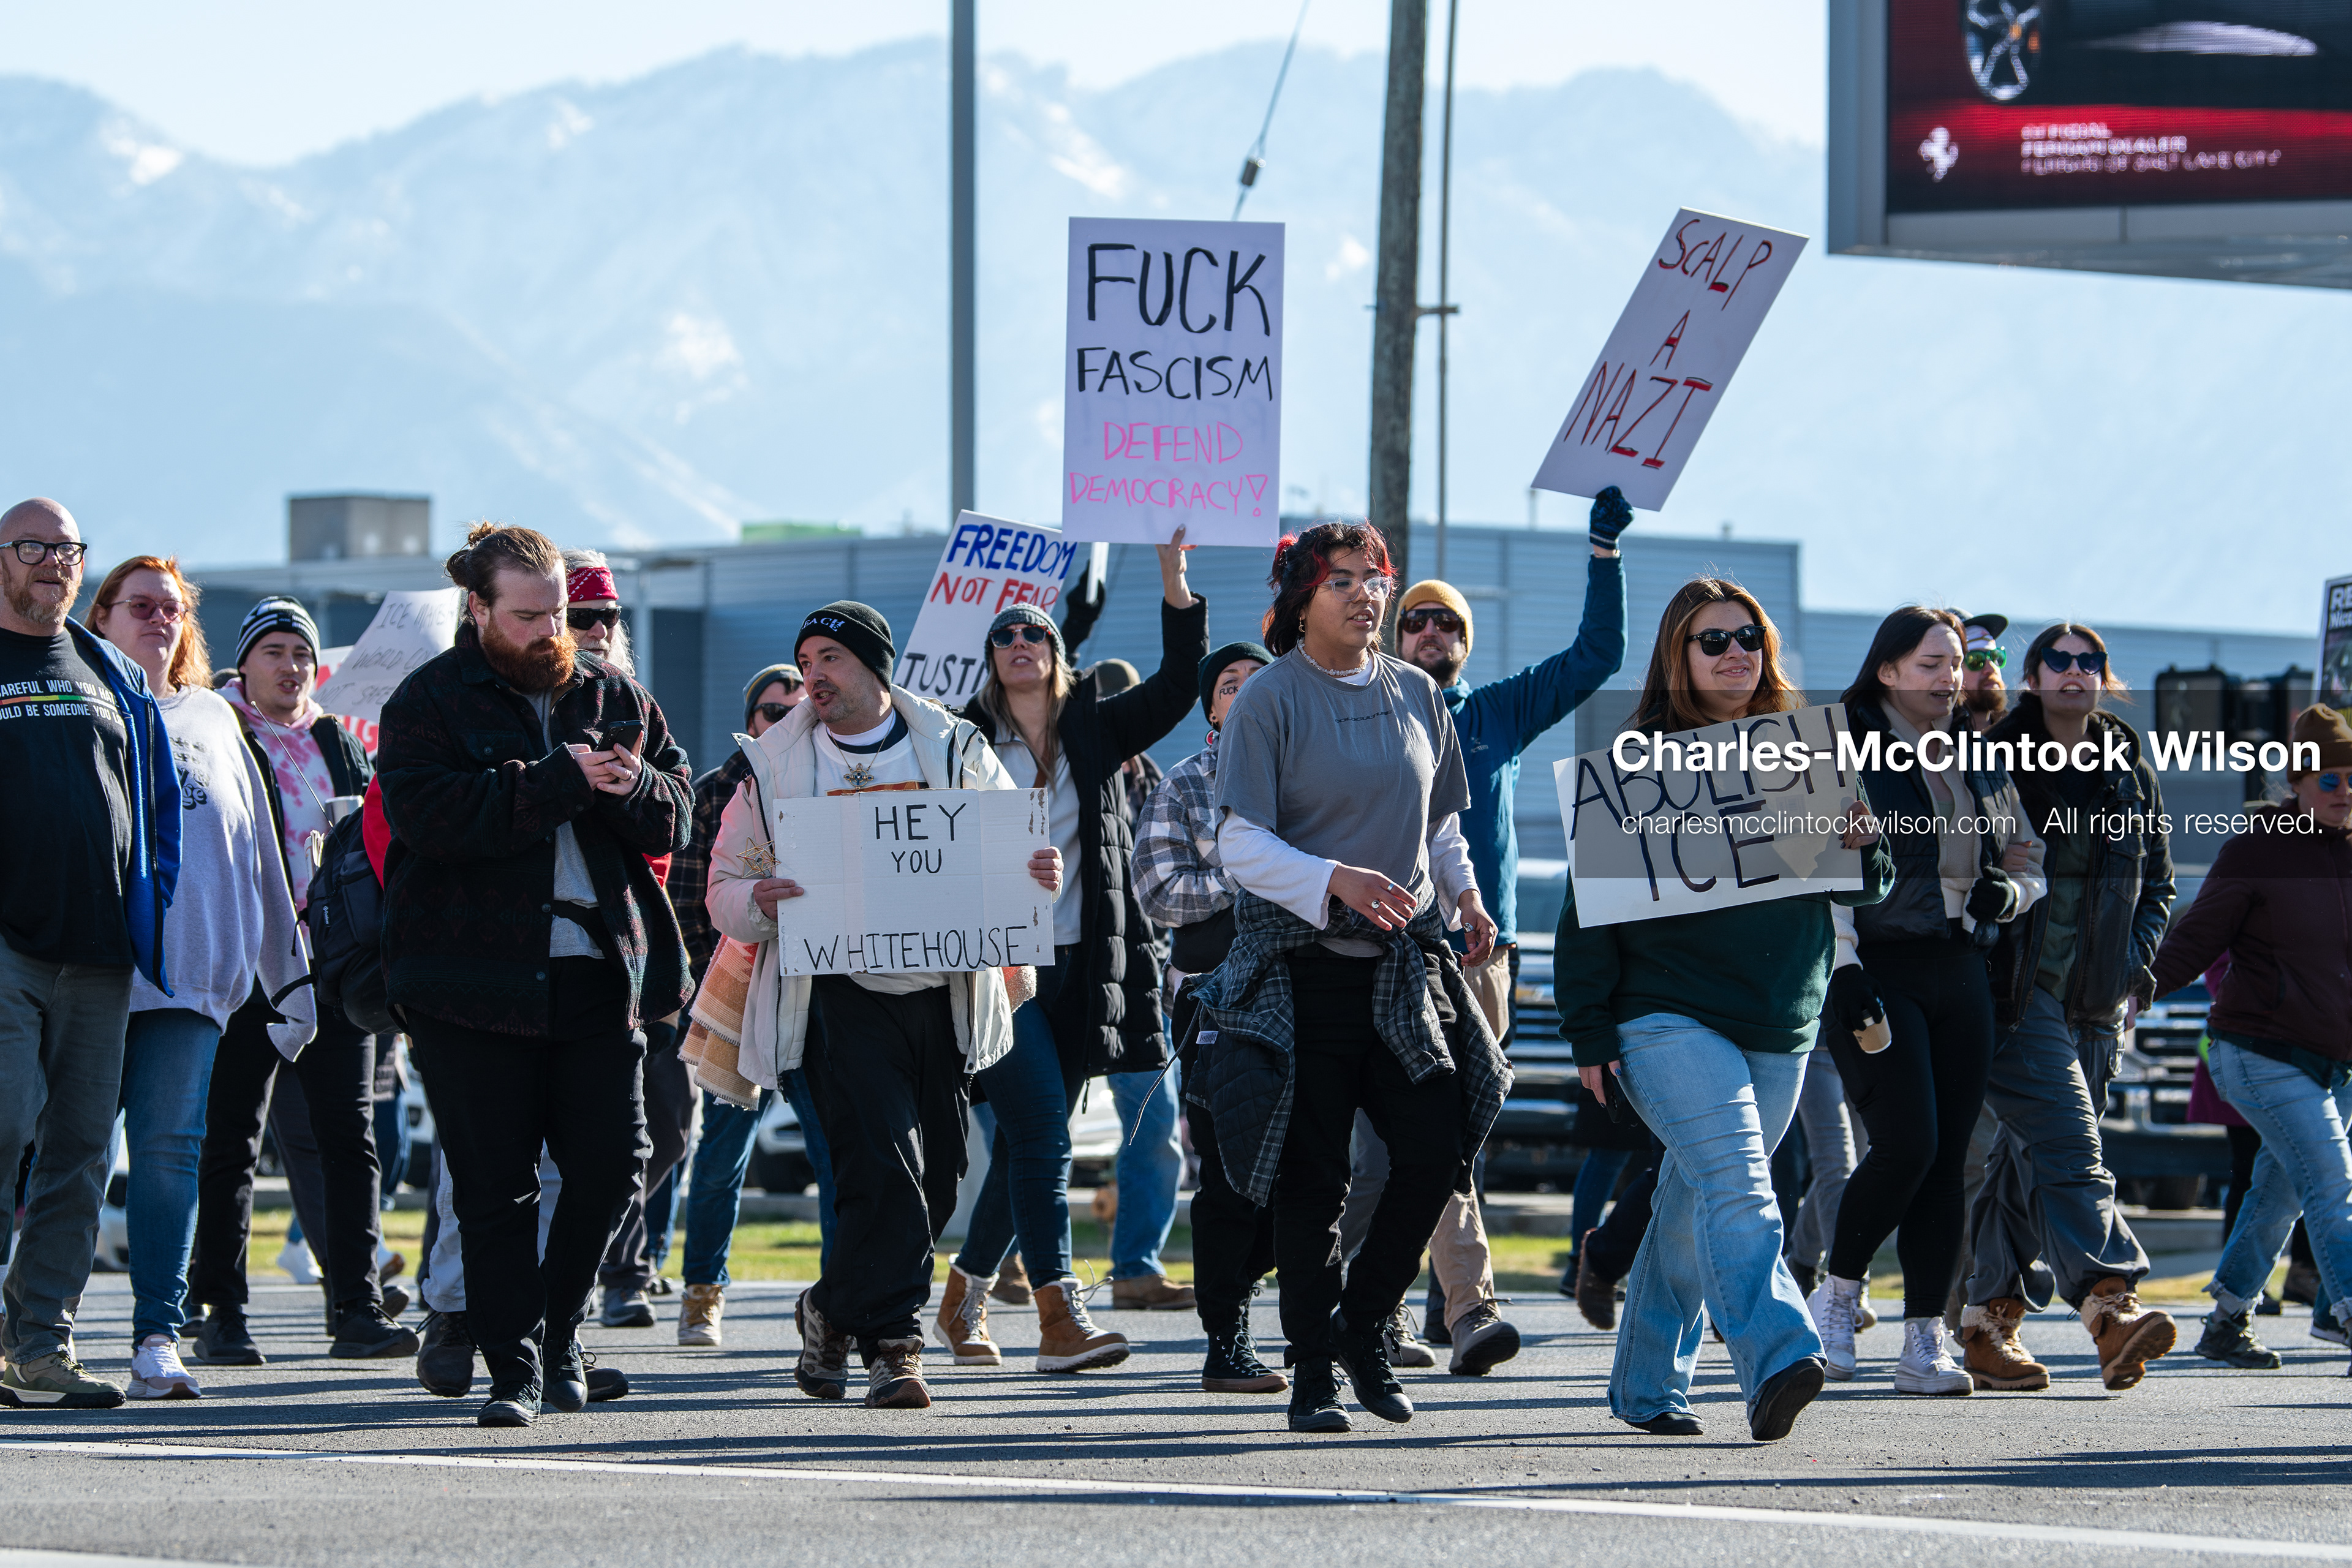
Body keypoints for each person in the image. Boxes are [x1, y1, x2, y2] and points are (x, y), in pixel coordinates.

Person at [1188, 520, 1509, 1436]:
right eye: (1343, 581)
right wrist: (1336, 881)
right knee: (1314, 1181)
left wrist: (1468, 896)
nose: (1367, 594)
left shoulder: (1416, 691)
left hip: (1403, 969)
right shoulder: (1270, 701)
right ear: (1300, 600)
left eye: (1376, 578)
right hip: (1301, 972)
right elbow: (1240, 842)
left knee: (1439, 1143)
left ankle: (1361, 1325)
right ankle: (1313, 1382)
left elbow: (1441, 824)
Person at [1553, 576, 1891, 1442]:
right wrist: (1590, 1028)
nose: (1736, 652)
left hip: (1780, 1020)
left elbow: (1872, 883)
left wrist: (1865, 843)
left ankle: (1643, 1389)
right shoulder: (1638, 771)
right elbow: (1587, 911)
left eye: (1749, 637)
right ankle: (1780, 1352)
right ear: (1679, 655)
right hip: (1664, 1015)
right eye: (1714, 640)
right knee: (1741, 1180)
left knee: (1687, 1204)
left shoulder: (1805, 757)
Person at [706, 601, 1064, 1409]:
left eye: (830, 657)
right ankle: (896, 1348)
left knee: (940, 1174)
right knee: (884, 1167)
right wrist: (758, 896)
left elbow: (1019, 849)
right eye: (805, 661)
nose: (814, 676)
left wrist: (1037, 873)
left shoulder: (953, 746)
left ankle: (829, 1310)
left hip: (942, 992)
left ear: (874, 666)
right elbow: (725, 891)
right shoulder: (775, 766)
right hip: (836, 994)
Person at [377, 522, 694, 1427]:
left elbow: (676, 813)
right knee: (495, 1185)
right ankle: (515, 1368)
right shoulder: (428, 700)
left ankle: (559, 1339)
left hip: (600, 969)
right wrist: (555, 781)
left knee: (613, 1164)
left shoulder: (615, 693)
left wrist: (632, 785)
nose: (553, 628)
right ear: (477, 609)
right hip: (469, 982)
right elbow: (432, 820)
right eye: (528, 614)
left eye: (562, 610)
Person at [1336, 486, 1631, 1375]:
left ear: (1465, 645)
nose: (1431, 635)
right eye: (1417, 622)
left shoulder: (1495, 713)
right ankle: (1448, 1303)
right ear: (1394, 635)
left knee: (1453, 1133)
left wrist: (1602, 555)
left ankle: (1410, 1299)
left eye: (1447, 627)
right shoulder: (1366, 709)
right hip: (1384, 951)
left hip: (1477, 956)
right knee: (1404, 1133)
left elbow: (1596, 657)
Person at [936, 532, 1205, 1370]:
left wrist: (1173, 579)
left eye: (1036, 635)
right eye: (1006, 636)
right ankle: (1060, 1317)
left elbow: (1176, 688)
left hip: (1084, 973)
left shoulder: (1095, 725)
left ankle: (963, 1296)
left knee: (1025, 1143)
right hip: (997, 970)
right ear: (989, 661)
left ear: (1057, 654)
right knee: (1047, 1136)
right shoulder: (958, 740)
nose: (1021, 643)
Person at [89, 558, 316, 1398]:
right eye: (139, 606)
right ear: (102, 616)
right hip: (89, 971)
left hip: (189, 980)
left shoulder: (216, 718)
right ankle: (40, 1328)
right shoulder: (77, 700)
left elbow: (259, 851)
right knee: (64, 1155)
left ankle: (158, 1336)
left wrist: (288, 980)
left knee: (170, 1154)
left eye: (173, 608)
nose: (158, 620)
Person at [1806, 607, 2043, 1396]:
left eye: (1956, 664)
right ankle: (1836, 1297)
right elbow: (1815, 862)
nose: (1950, 678)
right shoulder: (1840, 748)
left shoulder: (1976, 756)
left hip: (1961, 968)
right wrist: (1843, 963)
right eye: (1932, 664)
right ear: (1888, 671)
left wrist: (2009, 895)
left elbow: (2025, 855)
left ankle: (1923, 1341)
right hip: (1870, 968)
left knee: (1947, 1161)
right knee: (1906, 1144)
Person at [188, 595, 412, 1365]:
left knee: (349, 1139)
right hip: (246, 964)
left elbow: (373, 833)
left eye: (301, 654)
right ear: (244, 662)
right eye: (275, 651)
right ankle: (220, 1310)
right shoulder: (217, 731)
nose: (290, 667)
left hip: (331, 967)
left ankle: (355, 1304)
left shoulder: (333, 739)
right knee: (233, 1141)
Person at [1960, 622, 2177, 1392]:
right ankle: (2109, 1303)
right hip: (2019, 990)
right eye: (2060, 660)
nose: (2076, 671)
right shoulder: (1996, 754)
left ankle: (1987, 1323)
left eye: (2091, 661)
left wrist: (2135, 962)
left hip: (2096, 995)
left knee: (2026, 1162)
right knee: (2071, 1144)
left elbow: (2158, 884)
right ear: (2034, 675)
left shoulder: (2128, 766)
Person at [0, 499, 179, 1409]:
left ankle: (40, 1345)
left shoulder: (110, 667)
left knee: (78, 1150)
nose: (52, 564)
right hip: (8, 948)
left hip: (102, 949)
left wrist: (159, 901)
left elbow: (154, 804)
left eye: (67, 550)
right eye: (33, 548)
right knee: (2, 1127)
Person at [2146, 704, 2352, 1374]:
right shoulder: (2256, 850)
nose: (2346, 791)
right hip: (2258, 1050)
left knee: (2279, 1191)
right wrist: (2127, 990)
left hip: (2337, 1061)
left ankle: (2229, 1317)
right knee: (2331, 1181)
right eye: (2330, 780)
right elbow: (2197, 938)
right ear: (2297, 780)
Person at [1133, 639, 1283, 1392]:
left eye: (1262, 679)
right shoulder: (1188, 782)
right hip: (1218, 997)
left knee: (1320, 1168)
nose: (1248, 691)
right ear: (1212, 709)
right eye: (1230, 684)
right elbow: (1159, 890)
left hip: (1312, 988)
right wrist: (1255, 877)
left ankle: (1351, 1319)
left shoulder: (1313, 770)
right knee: (1228, 1175)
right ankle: (1228, 1337)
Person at [670, 662, 834, 1350]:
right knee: (724, 1150)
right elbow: (685, 898)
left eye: (798, 708)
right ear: (751, 722)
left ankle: (840, 1300)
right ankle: (703, 1294)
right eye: (771, 711)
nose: (785, 720)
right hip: (744, 988)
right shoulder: (718, 791)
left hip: (826, 995)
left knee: (837, 1156)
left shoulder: (837, 784)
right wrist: (742, 953)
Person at [551, 552, 695, 1333]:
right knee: (549, 1141)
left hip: (647, 956)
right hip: (560, 953)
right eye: (582, 618)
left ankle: (611, 1258)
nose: (598, 631)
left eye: (608, 616)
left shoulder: (640, 709)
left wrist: (638, 783)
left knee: (662, 1128)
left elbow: (683, 809)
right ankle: (473, 1304)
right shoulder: (527, 710)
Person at [1079, 655, 1187, 1308]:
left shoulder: (1163, 788)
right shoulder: (1064, 775)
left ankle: (1136, 1268)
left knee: (1156, 1122)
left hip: (1144, 981)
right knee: (1039, 1132)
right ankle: (1010, 1262)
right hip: (1067, 976)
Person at [1958, 612, 2009, 734]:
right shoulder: (1934, 744)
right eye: (1976, 660)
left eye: (1995, 656)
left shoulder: (2022, 736)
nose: (1991, 669)